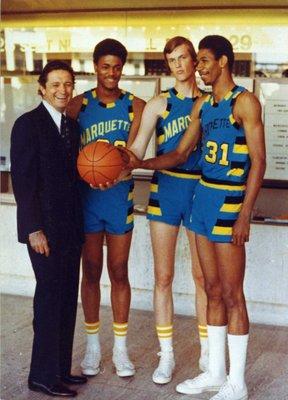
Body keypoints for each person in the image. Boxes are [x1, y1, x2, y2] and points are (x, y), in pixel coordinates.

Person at [124, 35, 266, 400]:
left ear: (222, 61)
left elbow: (259, 161)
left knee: (233, 294)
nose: (198, 68)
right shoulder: (203, 106)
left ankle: (238, 382)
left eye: (203, 61)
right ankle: (215, 374)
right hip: (202, 199)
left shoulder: (245, 102)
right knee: (213, 289)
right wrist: (141, 164)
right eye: (196, 61)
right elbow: (180, 153)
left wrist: (246, 213)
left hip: (229, 202)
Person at [126, 36, 208, 384]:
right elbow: (136, 151)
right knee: (163, 277)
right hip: (165, 188)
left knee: (203, 278)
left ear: (194, 61)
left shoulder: (209, 103)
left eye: (183, 57)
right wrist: (112, 163)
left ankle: (208, 352)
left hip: (200, 188)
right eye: (171, 59)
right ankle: (167, 355)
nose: (177, 64)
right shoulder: (158, 104)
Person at [67, 39, 145, 378]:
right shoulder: (77, 105)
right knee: (91, 270)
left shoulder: (136, 106)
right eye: (105, 66)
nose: (111, 72)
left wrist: (120, 169)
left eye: (117, 66)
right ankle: (93, 347)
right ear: (95, 66)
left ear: (122, 68)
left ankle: (120, 350)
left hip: (119, 199)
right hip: (86, 201)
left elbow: (136, 155)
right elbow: (64, 154)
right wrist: (83, 169)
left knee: (119, 271)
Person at [10, 61, 86, 397]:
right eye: (55, 84)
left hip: (70, 229)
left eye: (68, 84)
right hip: (43, 231)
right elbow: (22, 184)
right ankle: (41, 375)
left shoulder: (72, 126)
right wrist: (34, 229)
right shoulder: (27, 125)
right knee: (49, 297)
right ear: (42, 87)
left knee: (67, 297)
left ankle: (60, 370)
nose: (62, 90)